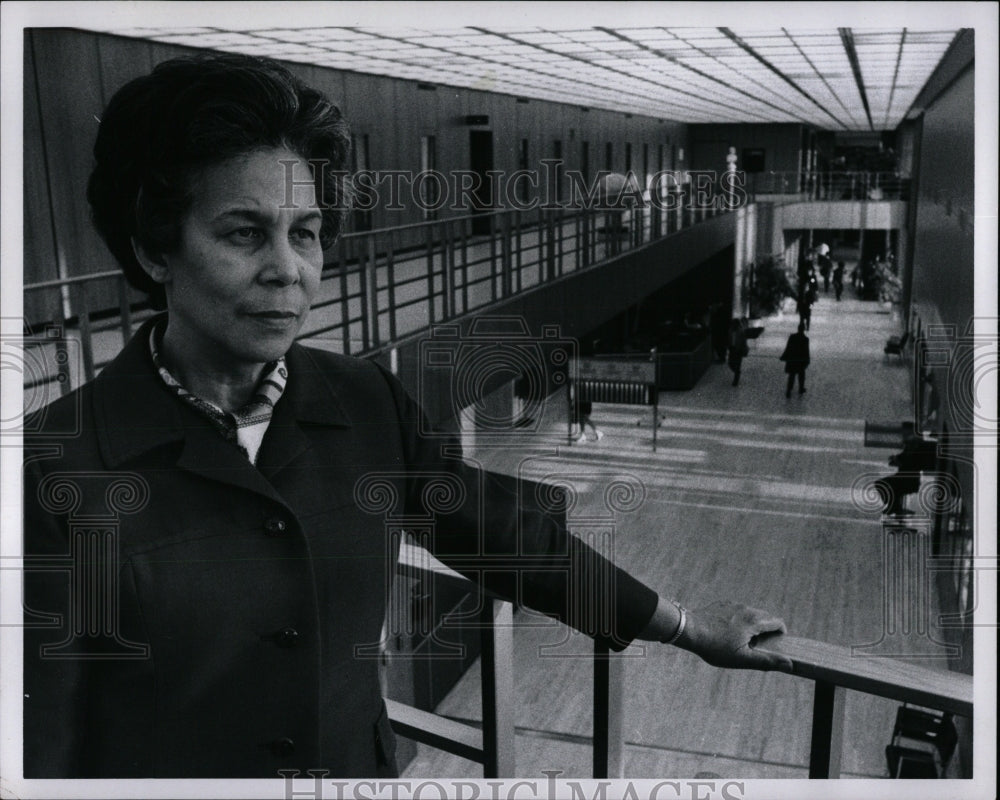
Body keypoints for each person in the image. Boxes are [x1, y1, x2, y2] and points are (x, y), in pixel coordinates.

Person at [21, 53, 791, 779]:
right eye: (243, 233)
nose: (288, 269)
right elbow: (43, 740)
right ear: (155, 250)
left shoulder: (363, 400)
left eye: (307, 233)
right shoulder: (54, 469)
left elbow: (505, 538)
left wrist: (683, 625)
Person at [780, 322, 810, 398]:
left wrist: (784, 356)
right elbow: (806, 351)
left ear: (798, 328)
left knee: (791, 376)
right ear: (804, 329)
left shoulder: (792, 337)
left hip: (792, 359)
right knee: (801, 375)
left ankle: (788, 391)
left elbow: (788, 347)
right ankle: (801, 388)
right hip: (800, 360)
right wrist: (807, 360)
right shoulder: (805, 339)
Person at [726, 318, 749, 387]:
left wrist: (743, 348)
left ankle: (736, 379)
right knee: (730, 363)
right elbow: (728, 339)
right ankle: (737, 372)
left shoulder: (741, 332)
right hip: (732, 349)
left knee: (737, 364)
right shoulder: (730, 331)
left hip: (739, 350)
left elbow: (744, 342)